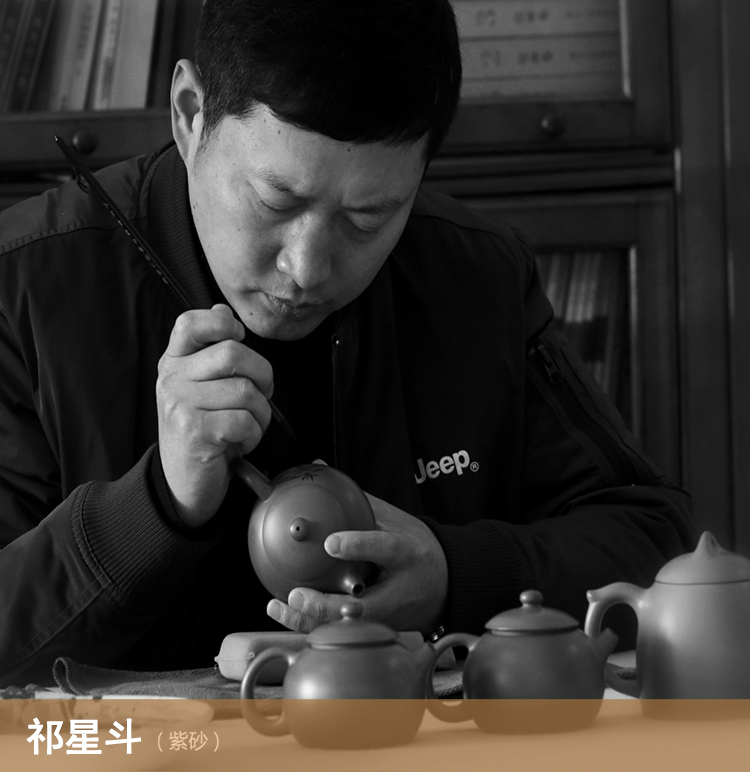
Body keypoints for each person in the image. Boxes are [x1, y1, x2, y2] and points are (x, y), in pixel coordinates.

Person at [0, 0, 694, 688]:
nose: (306, 268)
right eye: (275, 202)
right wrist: (155, 504)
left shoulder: (475, 277)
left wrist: (454, 574)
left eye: (366, 219)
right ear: (190, 114)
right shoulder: (26, 287)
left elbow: (654, 541)